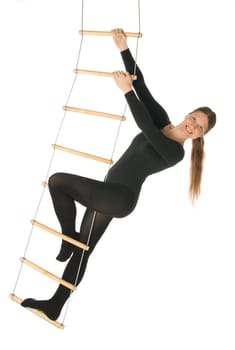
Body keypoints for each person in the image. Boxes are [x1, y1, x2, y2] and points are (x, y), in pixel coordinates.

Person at [21, 29, 216, 321]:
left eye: (199, 127)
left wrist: (125, 91)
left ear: (200, 136)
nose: (193, 126)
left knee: (58, 181)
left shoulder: (176, 152)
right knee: (83, 250)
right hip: (108, 190)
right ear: (188, 114)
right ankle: (54, 305)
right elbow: (142, 85)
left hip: (120, 198)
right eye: (194, 118)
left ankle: (67, 236)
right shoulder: (162, 118)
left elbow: (146, 129)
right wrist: (123, 48)